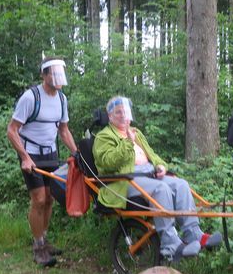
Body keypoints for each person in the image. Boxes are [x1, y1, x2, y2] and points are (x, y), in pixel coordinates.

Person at [92, 96, 222, 262]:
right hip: (123, 181)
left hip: (149, 175)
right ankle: (170, 244)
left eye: (125, 111)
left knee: (181, 184)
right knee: (161, 189)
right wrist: (127, 143)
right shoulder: (104, 136)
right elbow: (108, 163)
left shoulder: (136, 133)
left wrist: (160, 166)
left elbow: (152, 155)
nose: (123, 115)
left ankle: (194, 234)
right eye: (118, 112)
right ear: (110, 116)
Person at [7, 57, 78, 267]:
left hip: (50, 154)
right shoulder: (31, 97)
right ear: (44, 75)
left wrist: (76, 153)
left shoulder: (62, 99)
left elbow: (63, 130)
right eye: (53, 74)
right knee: (38, 199)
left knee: (50, 199)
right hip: (30, 153)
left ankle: (44, 240)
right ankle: (38, 247)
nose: (57, 78)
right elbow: (12, 130)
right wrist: (25, 157)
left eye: (60, 74)